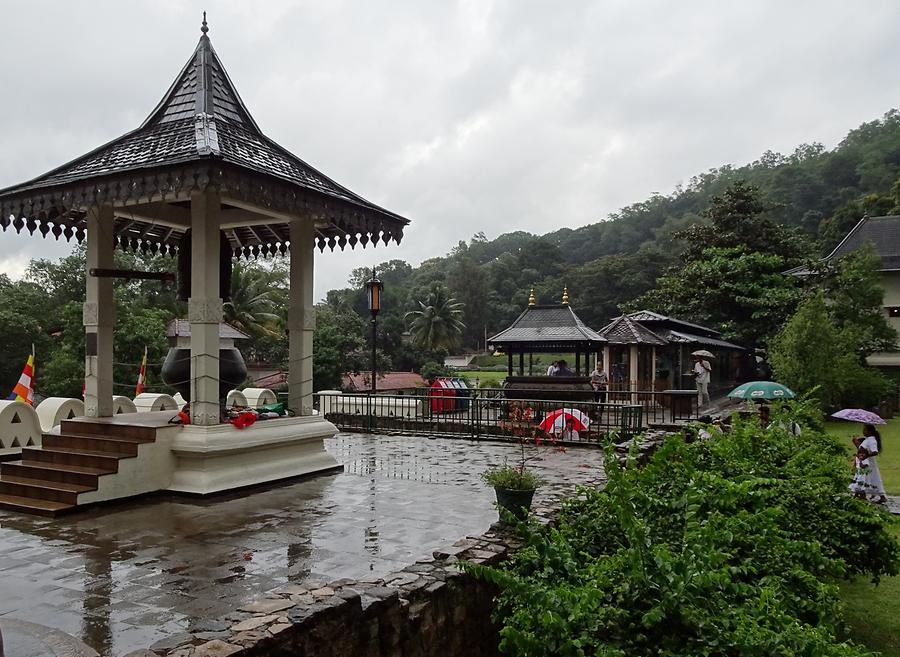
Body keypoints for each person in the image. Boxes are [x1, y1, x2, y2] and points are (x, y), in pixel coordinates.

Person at [852, 424, 887, 504]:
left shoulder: (872, 440)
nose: (863, 431)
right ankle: (860, 494)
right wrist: (856, 443)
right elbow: (862, 450)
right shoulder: (867, 440)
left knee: (867, 478)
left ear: (870, 431)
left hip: (868, 464)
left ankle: (862, 495)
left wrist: (866, 456)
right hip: (864, 463)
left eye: (865, 430)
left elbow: (875, 451)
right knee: (869, 478)